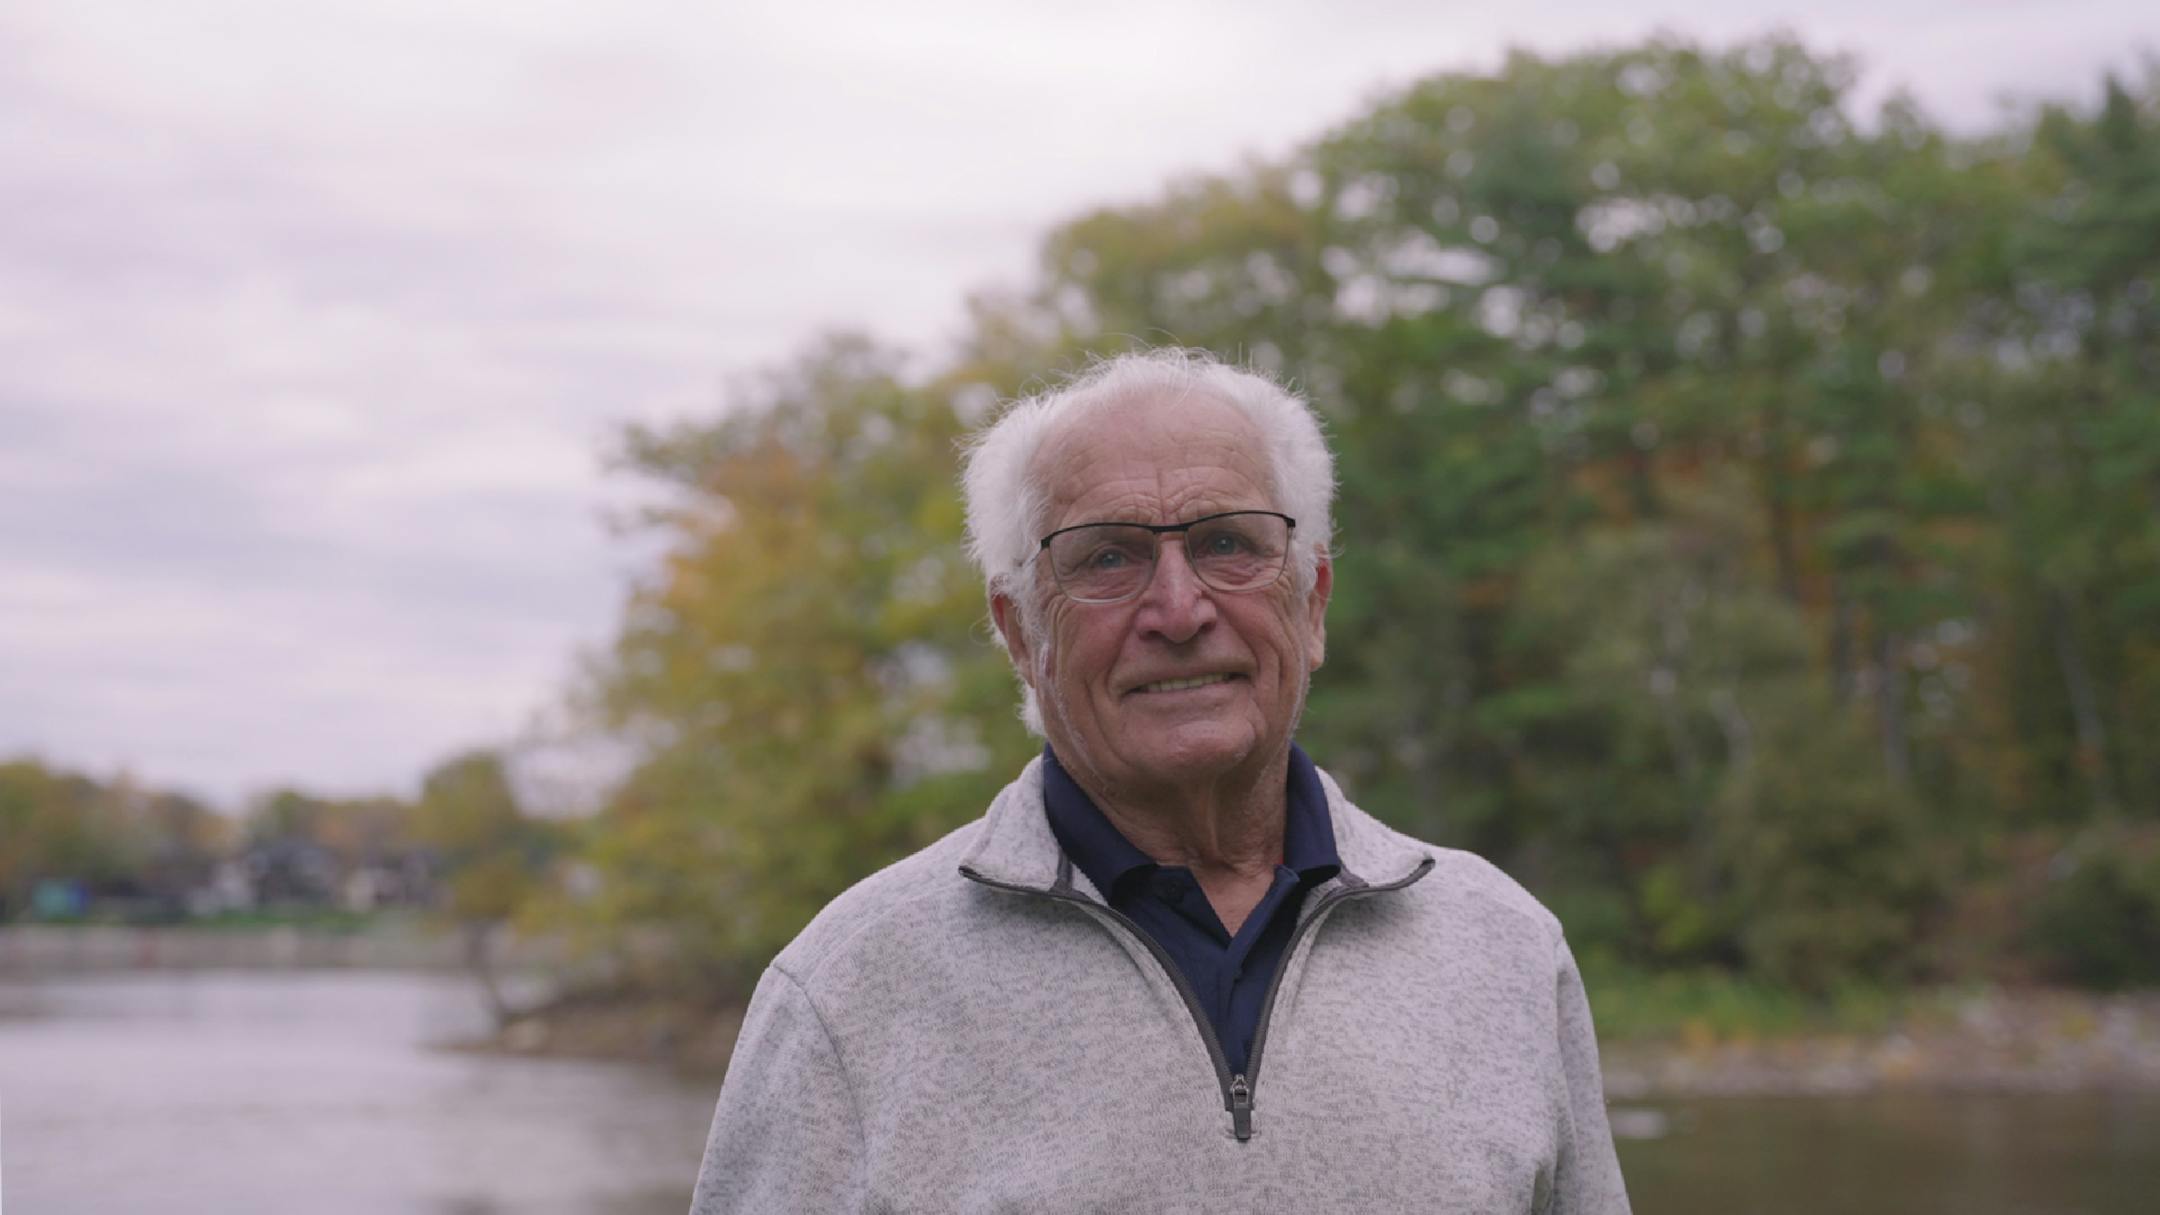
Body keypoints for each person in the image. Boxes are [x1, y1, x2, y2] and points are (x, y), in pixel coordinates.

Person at [690, 349, 1632, 1212]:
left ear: (1311, 603)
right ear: (1020, 633)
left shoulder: (1504, 949)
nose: (1179, 610)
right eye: (1108, 555)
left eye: (1228, 543)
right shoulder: (848, 988)